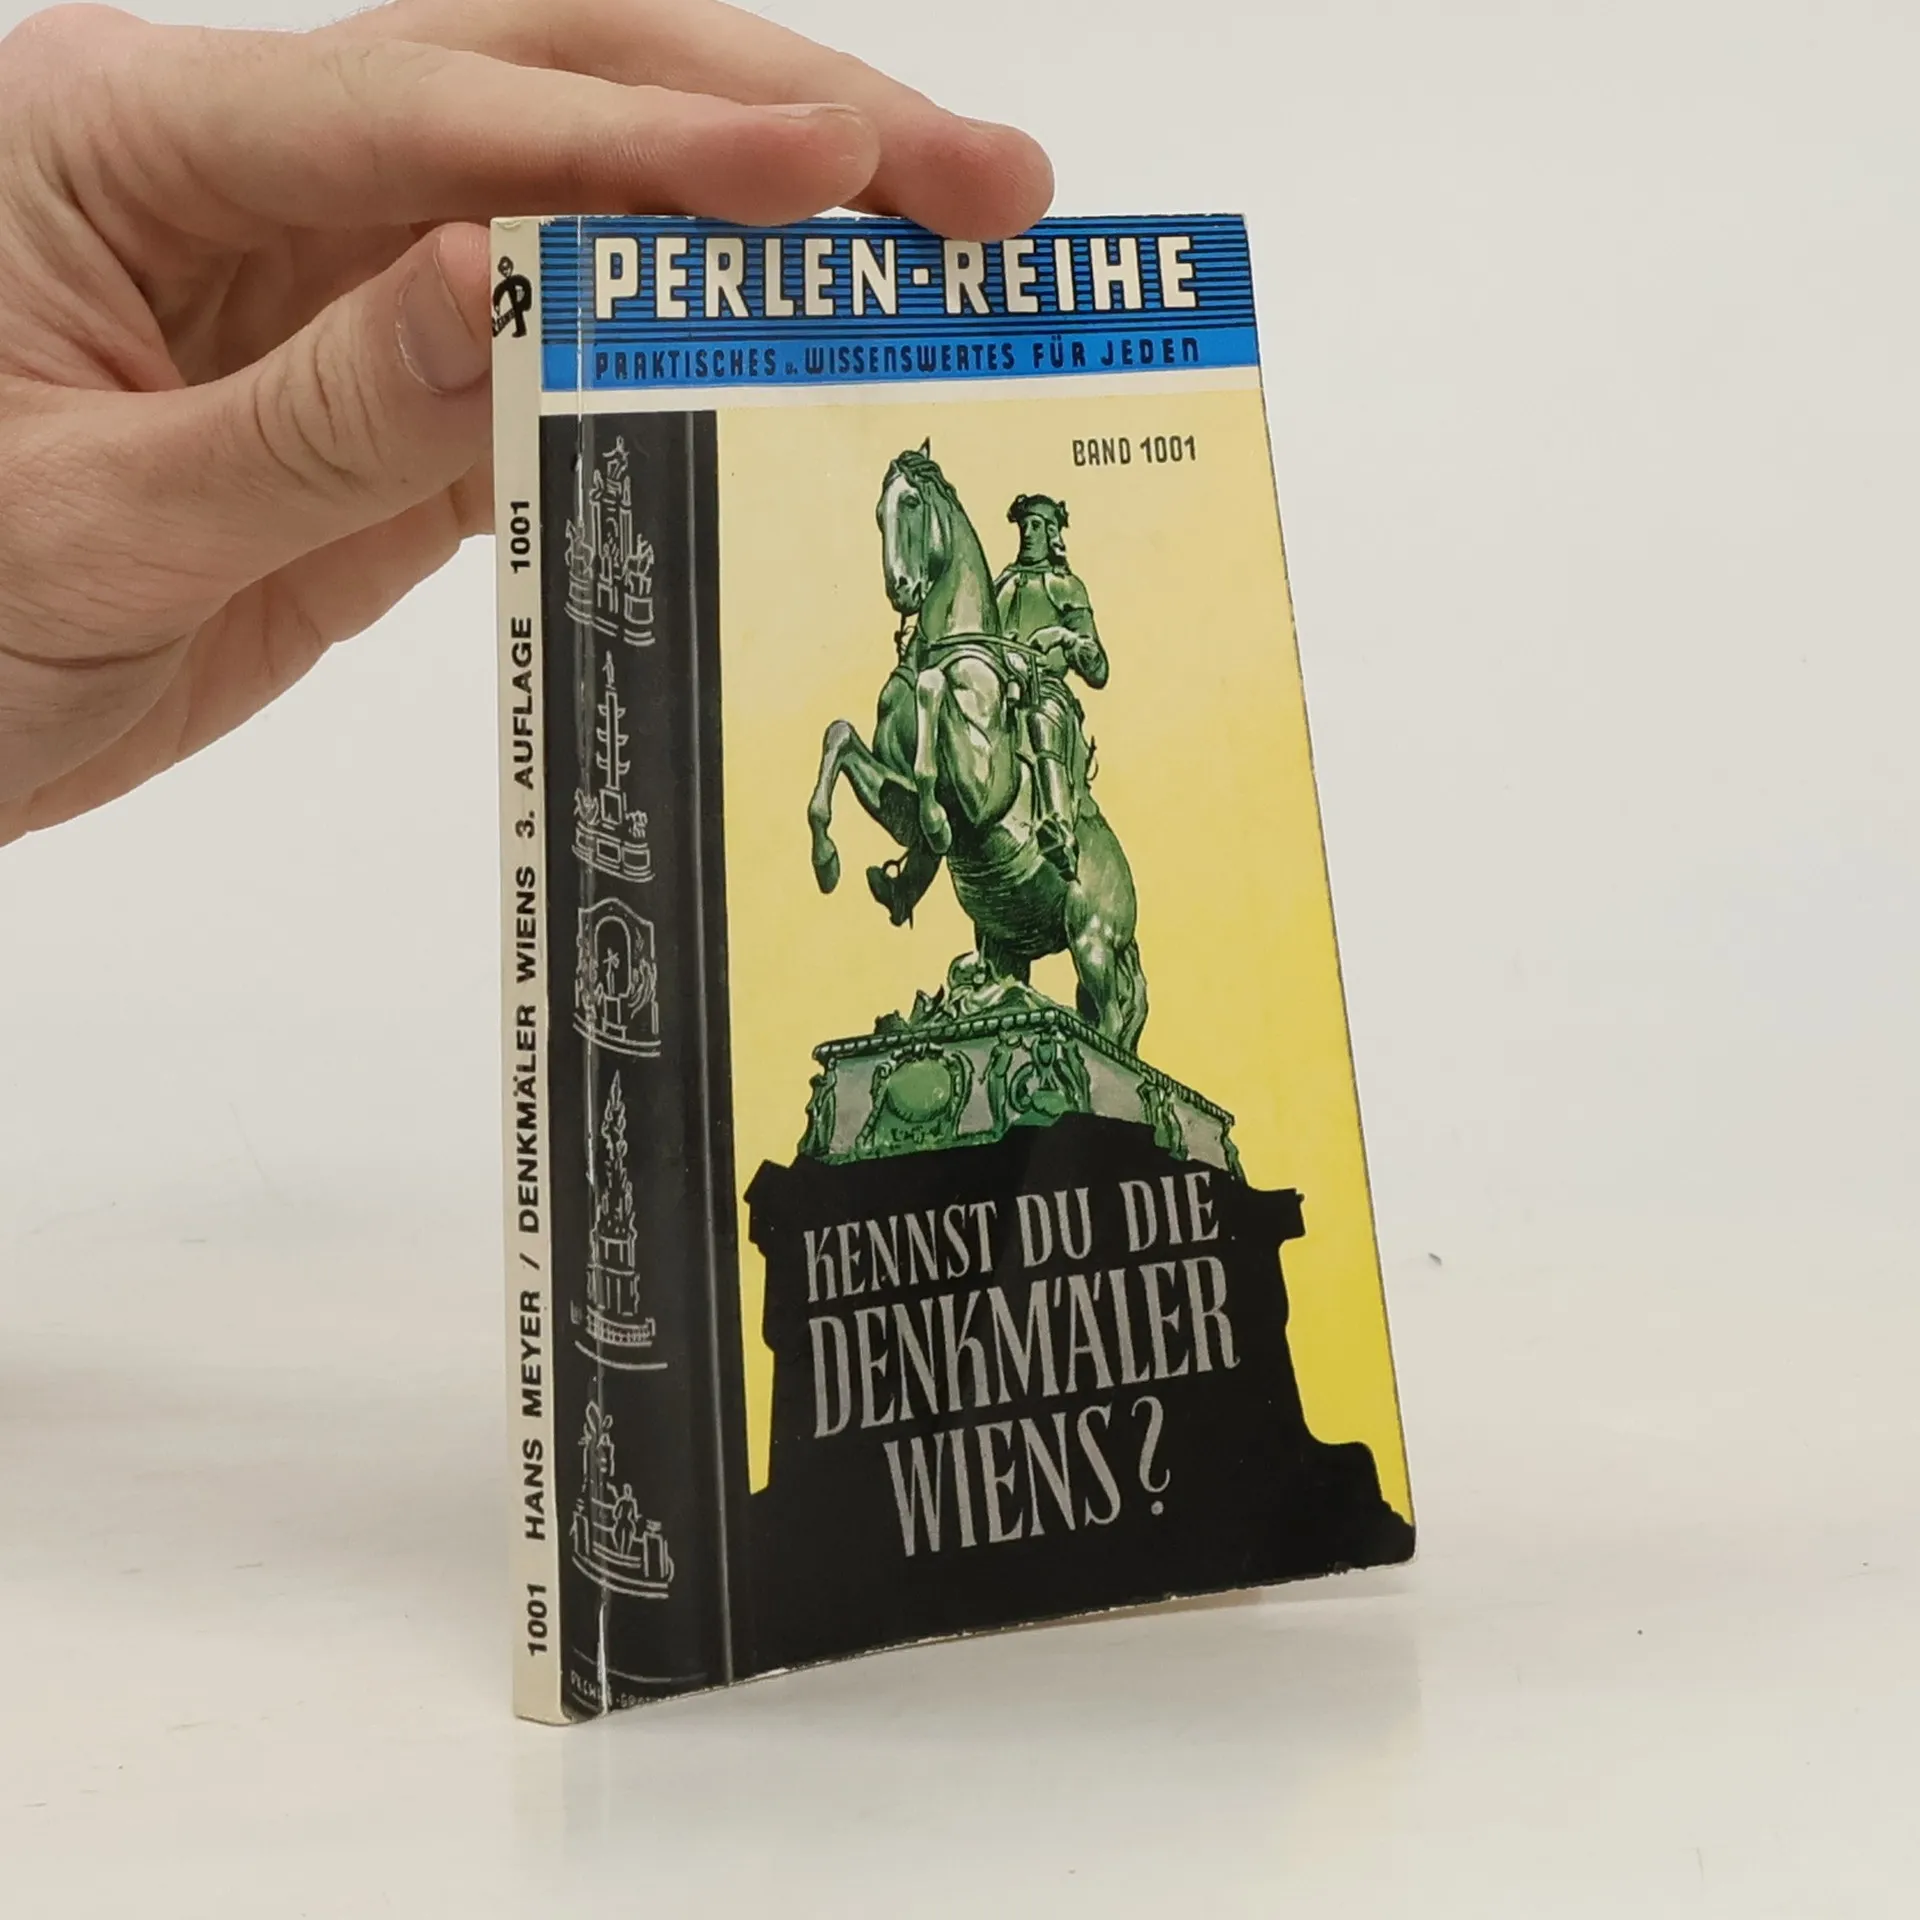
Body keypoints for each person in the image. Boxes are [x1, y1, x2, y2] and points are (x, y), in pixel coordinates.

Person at [0, 0, 1051, 845]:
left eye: (1040, 530)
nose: (1037, 537)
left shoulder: (1035, 584)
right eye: (1034, 529)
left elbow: (1075, 651)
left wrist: (1043, 646)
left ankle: (1039, 826)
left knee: (1045, 728)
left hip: (1025, 673)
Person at [993, 494, 1106, 879]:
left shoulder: (1066, 587)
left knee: (1041, 719)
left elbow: (1098, 668)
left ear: (1053, 532)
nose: (1027, 532)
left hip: (1045, 691)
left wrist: (1062, 636)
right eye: (1024, 525)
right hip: (996, 689)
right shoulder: (1002, 583)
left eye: (1036, 526)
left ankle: (1058, 829)